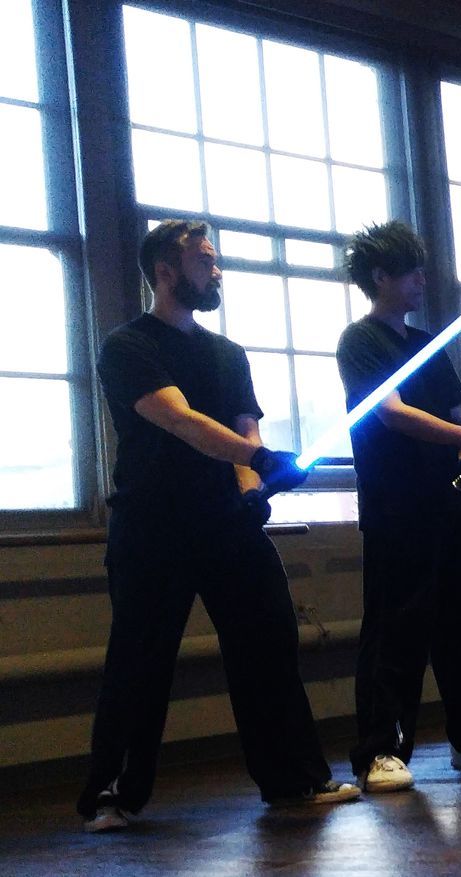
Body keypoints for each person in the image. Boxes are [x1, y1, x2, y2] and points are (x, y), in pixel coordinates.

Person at [81, 220, 358, 832]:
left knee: (268, 644)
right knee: (140, 657)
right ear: (164, 271)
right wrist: (256, 461)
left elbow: (245, 428)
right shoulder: (129, 347)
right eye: (204, 260)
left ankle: (294, 780)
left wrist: (254, 490)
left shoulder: (228, 354)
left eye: (216, 260)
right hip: (152, 527)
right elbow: (178, 419)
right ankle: (113, 795)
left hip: (226, 525)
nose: (217, 270)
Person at [335, 222, 461, 795]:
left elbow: (454, 408)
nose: (422, 280)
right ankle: (379, 750)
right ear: (381, 277)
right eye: (411, 271)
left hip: (445, 504)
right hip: (397, 506)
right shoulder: (361, 341)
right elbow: (390, 412)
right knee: (396, 626)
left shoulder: (427, 344)